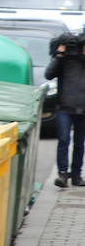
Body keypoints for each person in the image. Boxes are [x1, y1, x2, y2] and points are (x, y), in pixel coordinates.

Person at [47, 32, 85, 187]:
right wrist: (59, 56)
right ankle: (62, 174)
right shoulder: (66, 61)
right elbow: (49, 74)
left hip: (83, 109)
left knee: (79, 143)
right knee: (63, 140)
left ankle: (76, 175)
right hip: (64, 107)